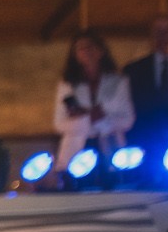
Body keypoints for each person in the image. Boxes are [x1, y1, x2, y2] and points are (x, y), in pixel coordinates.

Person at [54, 31, 135, 174]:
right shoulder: (67, 85)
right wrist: (88, 119)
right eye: (81, 48)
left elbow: (127, 119)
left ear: (101, 50)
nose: (86, 52)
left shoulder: (119, 82)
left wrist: (102, 121)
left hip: (111, 147)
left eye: (90, 47)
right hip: (76, 152)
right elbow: (58, 123)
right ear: (75, 54)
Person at [121, 14, 168, 152]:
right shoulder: (133, 70)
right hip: (144, 143)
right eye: (158, 32)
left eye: (167, 31)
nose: (163, 36)